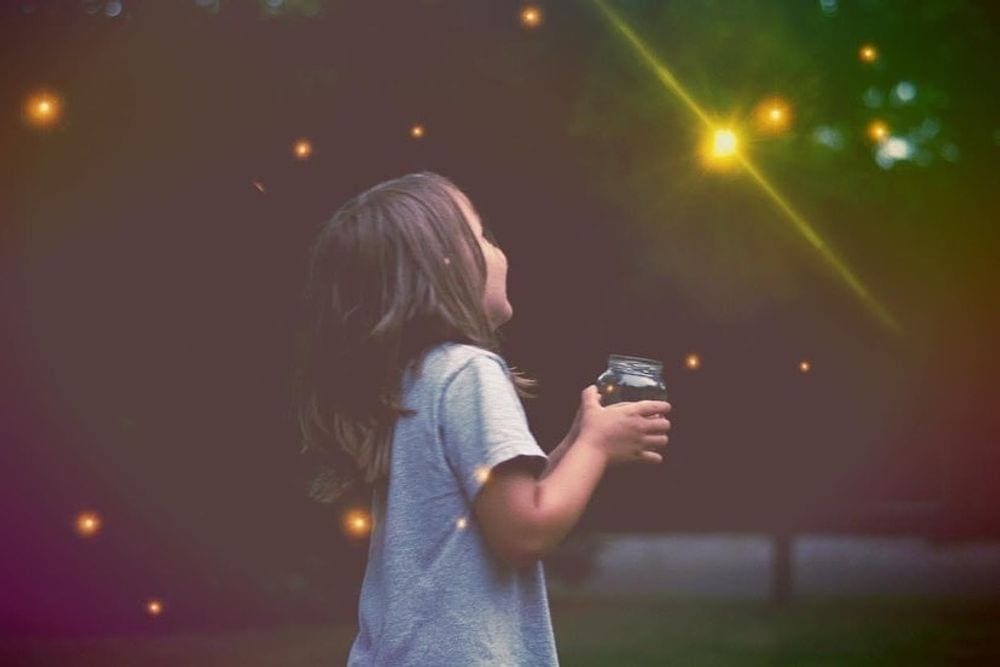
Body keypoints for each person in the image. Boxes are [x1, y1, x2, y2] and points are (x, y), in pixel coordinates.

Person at [291, 172, 671, 665]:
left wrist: (577, 439)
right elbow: (525, 531)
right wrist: (595, 449)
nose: (500, 249)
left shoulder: (414, 380)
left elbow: (496, 511)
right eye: (482, 235)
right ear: (444, 268)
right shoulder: (469, 371)